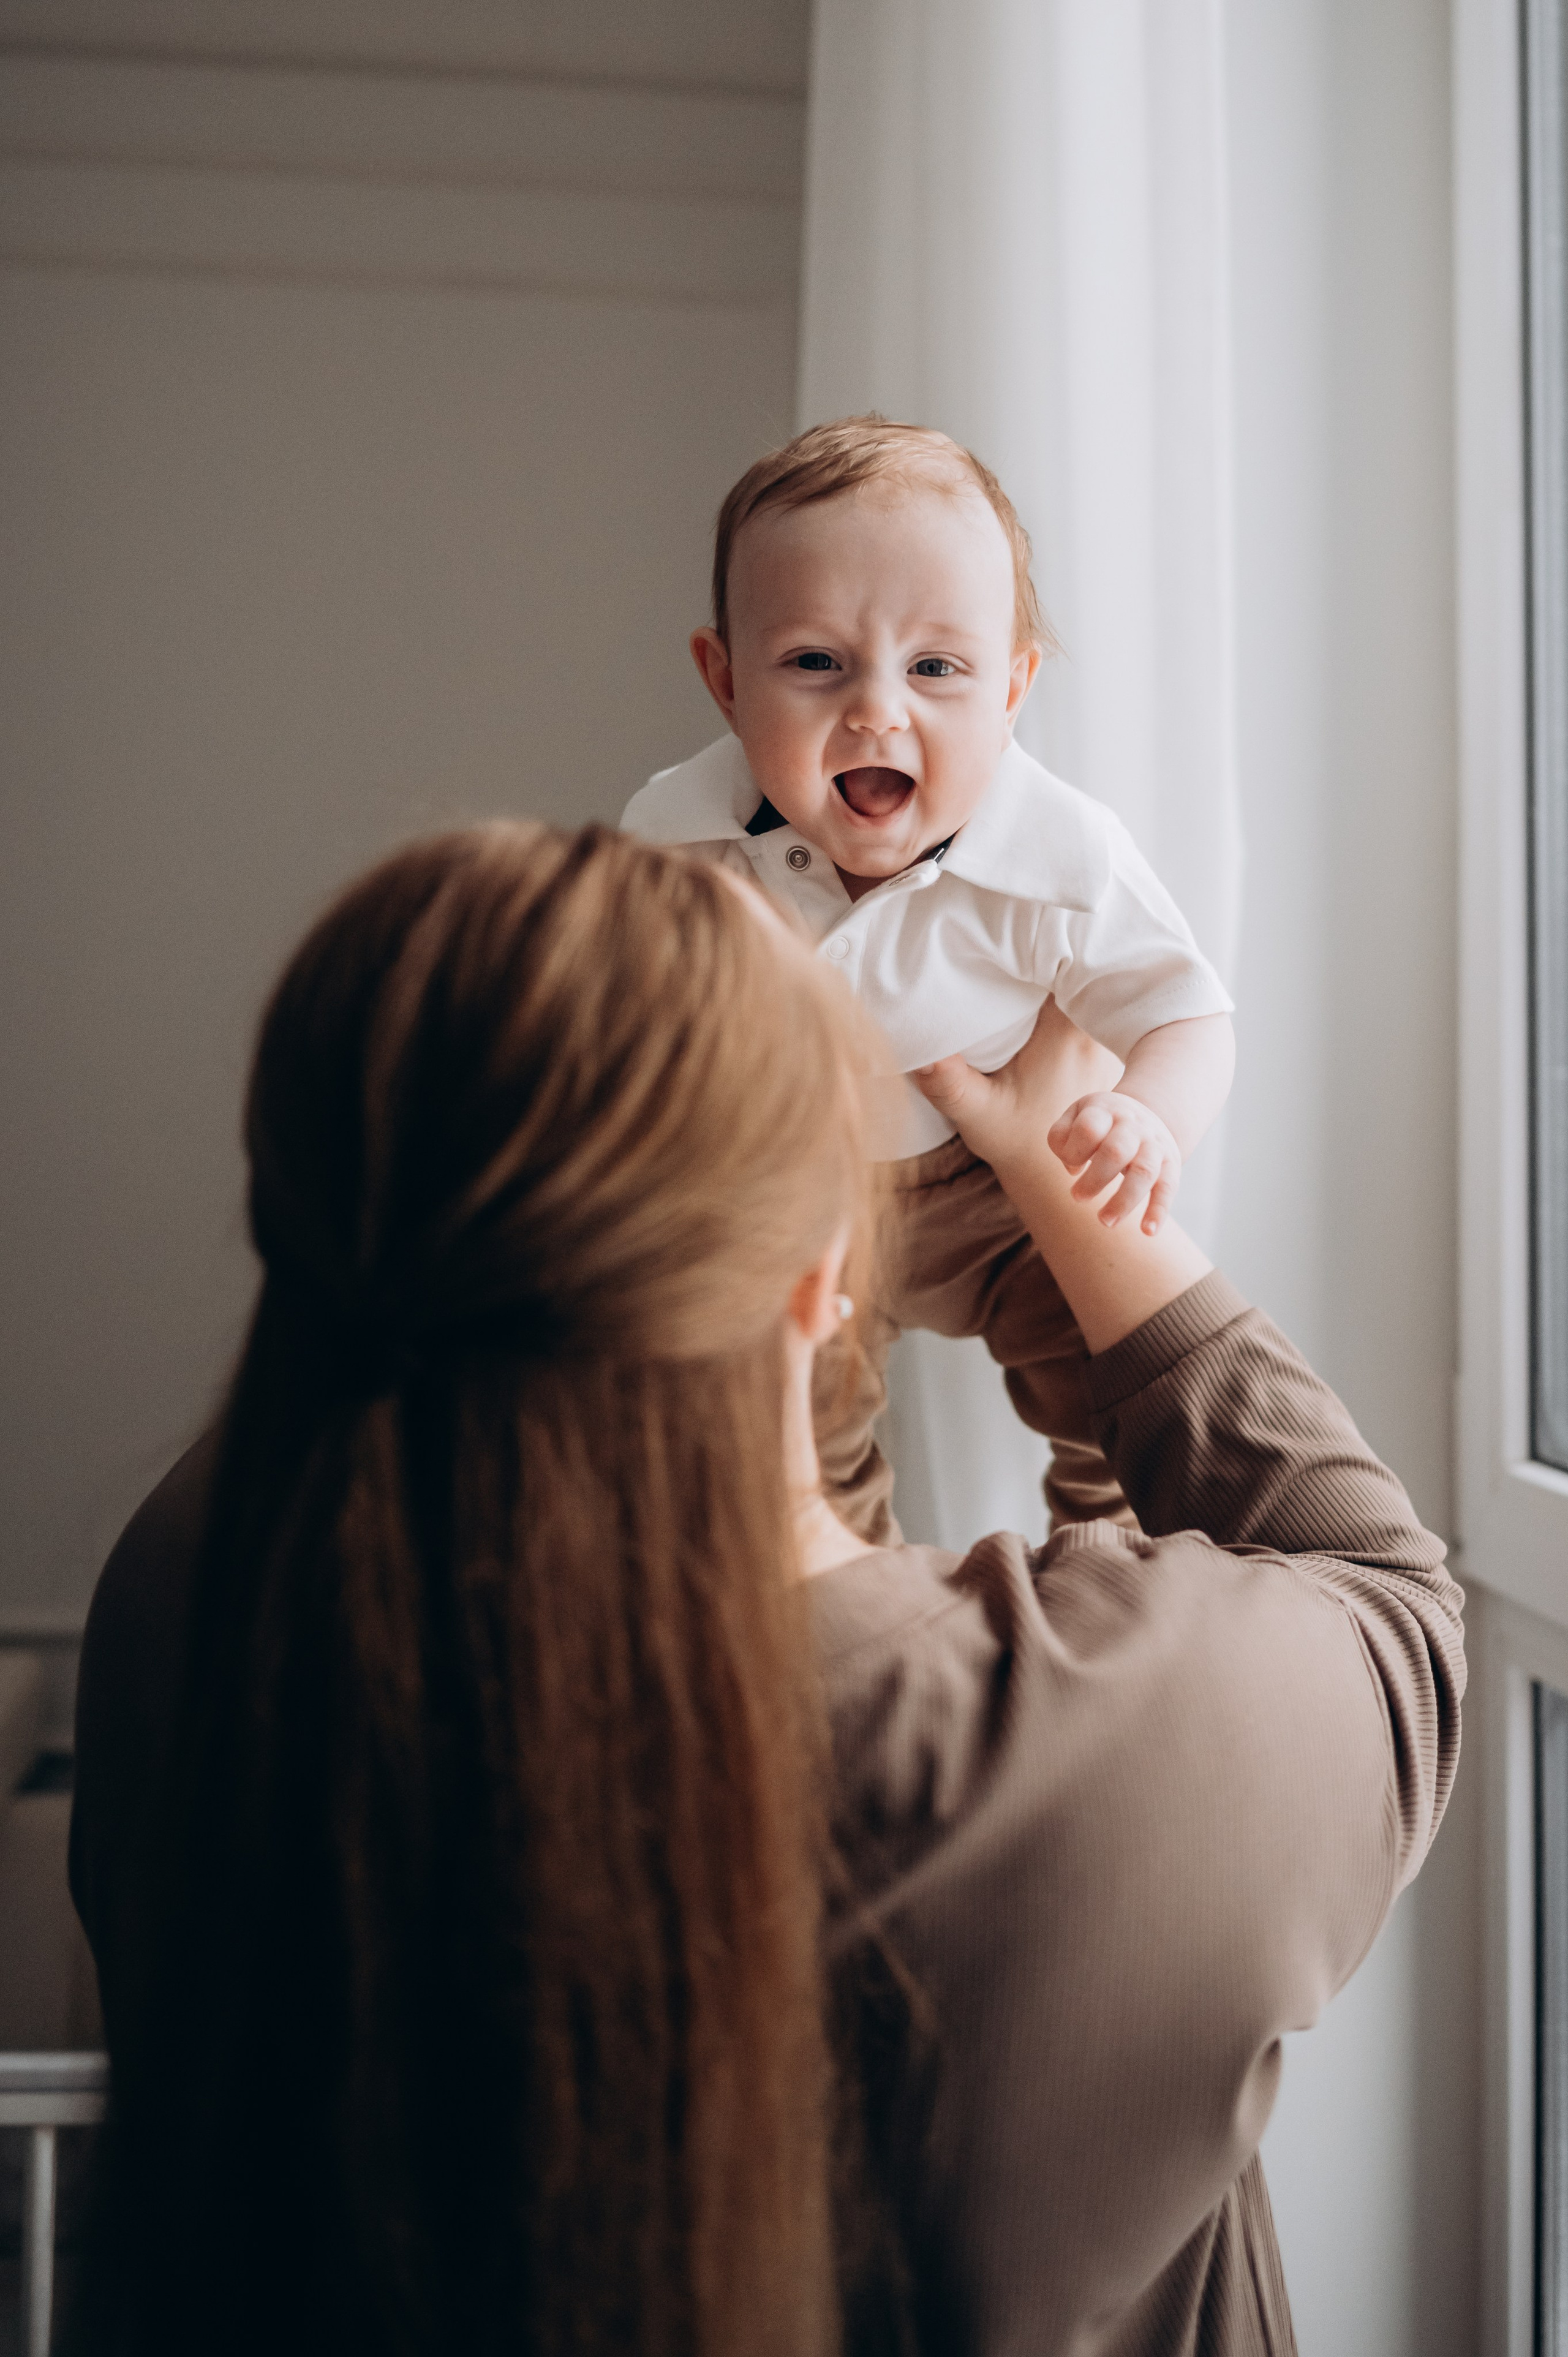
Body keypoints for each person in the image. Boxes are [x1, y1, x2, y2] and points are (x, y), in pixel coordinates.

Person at [69, 821, 1463, 2357]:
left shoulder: (192, 1605)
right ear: (825, 1270)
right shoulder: (1075, 1739)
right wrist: (1063, 1170)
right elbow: (1383, 1591)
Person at [622, 414, 1237, 1540]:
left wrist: (1147, 1118)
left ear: (1012, 687)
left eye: (936, 668)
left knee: (1108, 1386)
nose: (876, 709)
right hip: (798, 1185)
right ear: (724, 680)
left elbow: (1187, 1010)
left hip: (1009, 1192)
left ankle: (1107, 1566)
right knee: (792, 1428)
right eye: (815, 663)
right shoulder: (679, 838)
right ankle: (851, 1592)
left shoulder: (1061, 852)